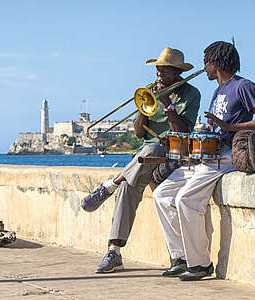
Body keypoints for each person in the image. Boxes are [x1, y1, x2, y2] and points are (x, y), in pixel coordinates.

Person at [153, 41, 255, 281]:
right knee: (162, 194)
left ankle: (200, 264)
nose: (204, 68)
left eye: (206, 62)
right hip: (208, 156)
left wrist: (230, 127)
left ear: (216, 63)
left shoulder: (243, 86)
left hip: (227, 155)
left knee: (186, 200)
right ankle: (179, 258)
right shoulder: (218, 90)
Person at [80, 47, 201, 273]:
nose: (158, 75)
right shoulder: (150, 91)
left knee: (152, 148)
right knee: (128, 186)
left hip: (173, 152)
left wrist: (168, 104)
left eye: (163, 71)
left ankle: (109, 186)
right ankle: (114, 252)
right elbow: (138, 134)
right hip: (146, 156)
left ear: (176, 72)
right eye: (157, 71)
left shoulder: (191, 93)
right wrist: (143, 109)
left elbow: (182, 132)